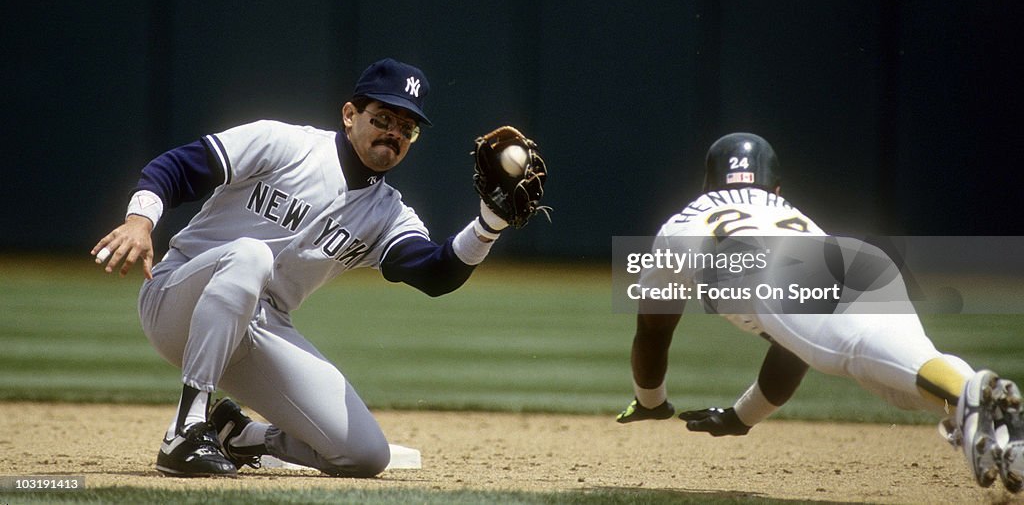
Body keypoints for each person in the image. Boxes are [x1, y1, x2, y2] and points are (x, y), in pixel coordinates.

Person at [91, 58, 543, 478]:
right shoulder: (283, 143)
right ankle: (185, 430)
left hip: (258, 331)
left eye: (407, 128)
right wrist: (139, 221)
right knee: (251, 254)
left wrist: (489, 223)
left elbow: (436, 273)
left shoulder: (388, 214)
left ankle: (241, 436)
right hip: (179, 300)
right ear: (350, 115)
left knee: (365, 455)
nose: (394, 133)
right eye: (382, 119)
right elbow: (176, 167)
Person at [616, 132, 1023, 494]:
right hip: (857, 256)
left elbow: (653, 330)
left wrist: (651, 401)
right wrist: (742, 417)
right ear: (775, 186)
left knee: (870, 354)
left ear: (707, 183)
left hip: (768, 268)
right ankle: (1000, 431)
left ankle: (969, 398)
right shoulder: (786, 211)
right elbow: (797, 347)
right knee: (901, 380)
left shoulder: (679, 224)